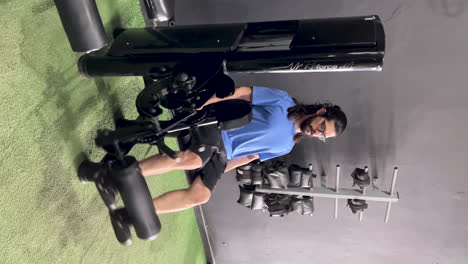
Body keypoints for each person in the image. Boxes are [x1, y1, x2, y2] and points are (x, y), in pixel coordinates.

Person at [138, 86, 347, 214]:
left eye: (322, 136)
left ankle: (139, 211)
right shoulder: (283, 101)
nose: (316, 132)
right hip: (220, 125)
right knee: (194, 160)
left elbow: (250, 156)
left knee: (200, 195)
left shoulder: (288, 145)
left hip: (222, 154)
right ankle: (132, 170)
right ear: (321, 111)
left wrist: (218, 171)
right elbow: (244, 93)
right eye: (322, 127)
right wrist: (205, 103)